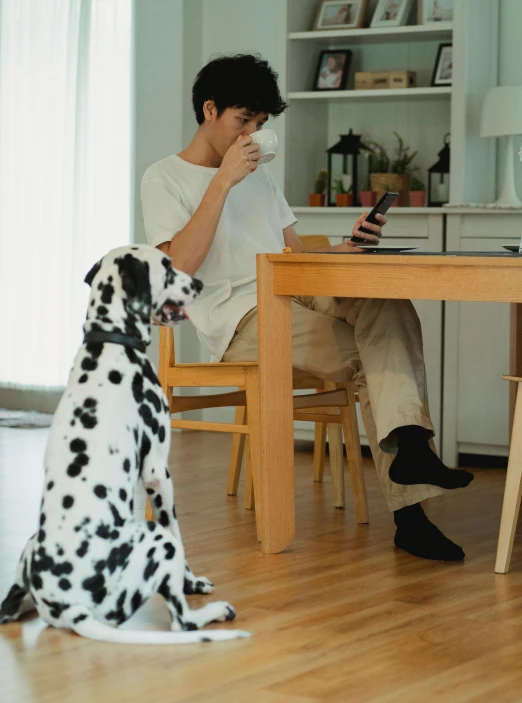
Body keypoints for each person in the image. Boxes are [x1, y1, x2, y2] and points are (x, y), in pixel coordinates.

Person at [141, 53, 473, 562]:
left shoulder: (260, 175)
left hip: (290, 285)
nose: (251, 133)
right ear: (209, 109)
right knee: (367, 356)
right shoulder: (164, 178)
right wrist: (223, 181)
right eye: (242, 120)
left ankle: (408, 445)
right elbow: (178, 268)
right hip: (239, 317)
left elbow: (296, 258)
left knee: (387, 303)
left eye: (259, 123)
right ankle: (411, 513)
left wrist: (350, 247)